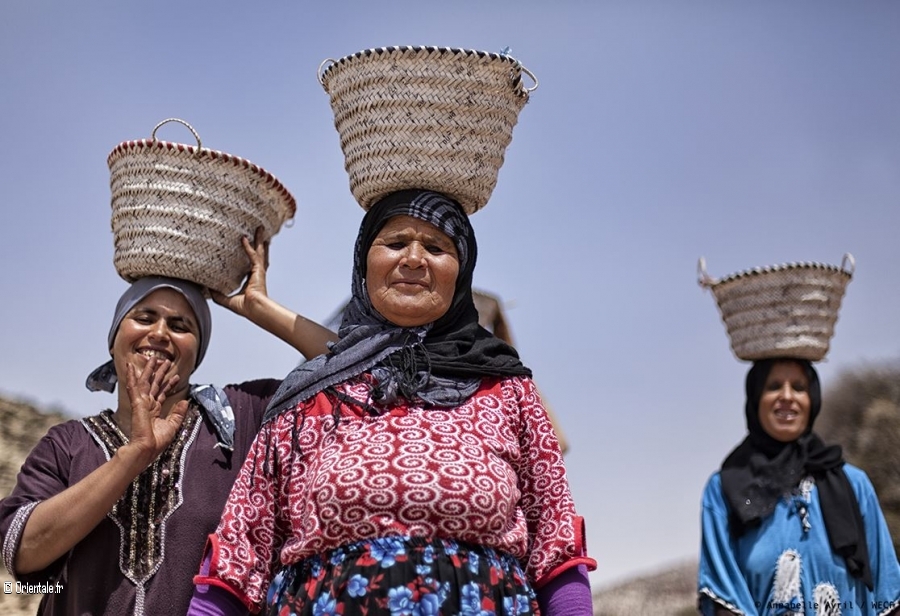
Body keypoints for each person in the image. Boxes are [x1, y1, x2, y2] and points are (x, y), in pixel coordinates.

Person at [189, 189, 596, 616]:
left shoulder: (508, 392)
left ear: (462, 273)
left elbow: (557, 548)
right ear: (364, 263)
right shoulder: (307, 399)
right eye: (396, 243)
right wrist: (259, 306)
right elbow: (238, 558)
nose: (415, 259)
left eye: (437, 247)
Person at [0, 231, 337, 616]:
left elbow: (354, 367)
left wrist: (260, 307)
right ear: (113, 340)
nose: (159, 334)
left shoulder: (240, 419)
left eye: (180, 325)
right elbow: (22, 558)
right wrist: (133, 456)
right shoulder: (69, 444)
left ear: (198, 352)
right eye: (144, 317)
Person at [697, 358, 900, 615]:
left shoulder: (853, 484)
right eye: (773, 386)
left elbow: (888, 594)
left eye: (798, 387)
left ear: (812, 399)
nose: (787, 396)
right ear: (755, 397)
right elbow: (723, 600)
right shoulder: (724, 490)